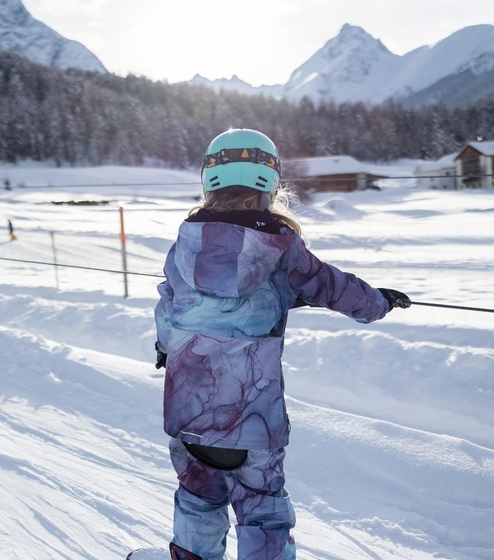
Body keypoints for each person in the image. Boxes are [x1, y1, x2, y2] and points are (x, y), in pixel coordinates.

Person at [153, 129, 410, 560]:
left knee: (198, 498)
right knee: (262, 510)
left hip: (188, 408)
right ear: (269, 180)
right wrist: (378, 302)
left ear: (208, 178)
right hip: (250, 416)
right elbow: (331, 286)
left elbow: (169, 303)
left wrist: (165, 348)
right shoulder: (281, 243)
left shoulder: (186, 240)